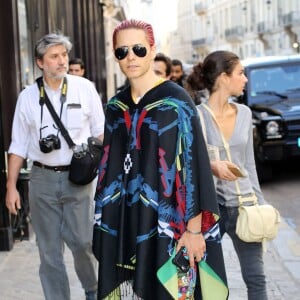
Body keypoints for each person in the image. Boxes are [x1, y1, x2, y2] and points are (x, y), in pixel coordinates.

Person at [93, 19, 228, 299]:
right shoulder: (115, 108)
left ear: (153, 50)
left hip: (173, 227)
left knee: (174, 294)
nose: (130, 57)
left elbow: (194, 166)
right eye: (122, 51)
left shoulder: (175, 102)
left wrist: (193, 230)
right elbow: (108, 171)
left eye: (139, 49)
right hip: (128, 222)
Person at [5, 33, 105, 300]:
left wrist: (97, 162)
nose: (62, 61)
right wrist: (11, 187)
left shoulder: (84, 88)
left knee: (83, 243)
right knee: (48, 251)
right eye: (54, 57)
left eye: (64, 55)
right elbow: (17, 146)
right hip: (41, 179)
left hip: (79, 179)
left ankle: (93, 290)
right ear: (40, 62)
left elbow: (102, 132)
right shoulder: (27, 97)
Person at [196, 50, 268, 300]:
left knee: (256, 279)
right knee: (207, 281)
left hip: (244, 207)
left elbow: (249, 163)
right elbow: (190, 164)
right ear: (224, 78)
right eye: (240, 73)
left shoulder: (245, 113)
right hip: (211, 209)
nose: (245, 79)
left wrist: (260, 204)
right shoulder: (197, 116)